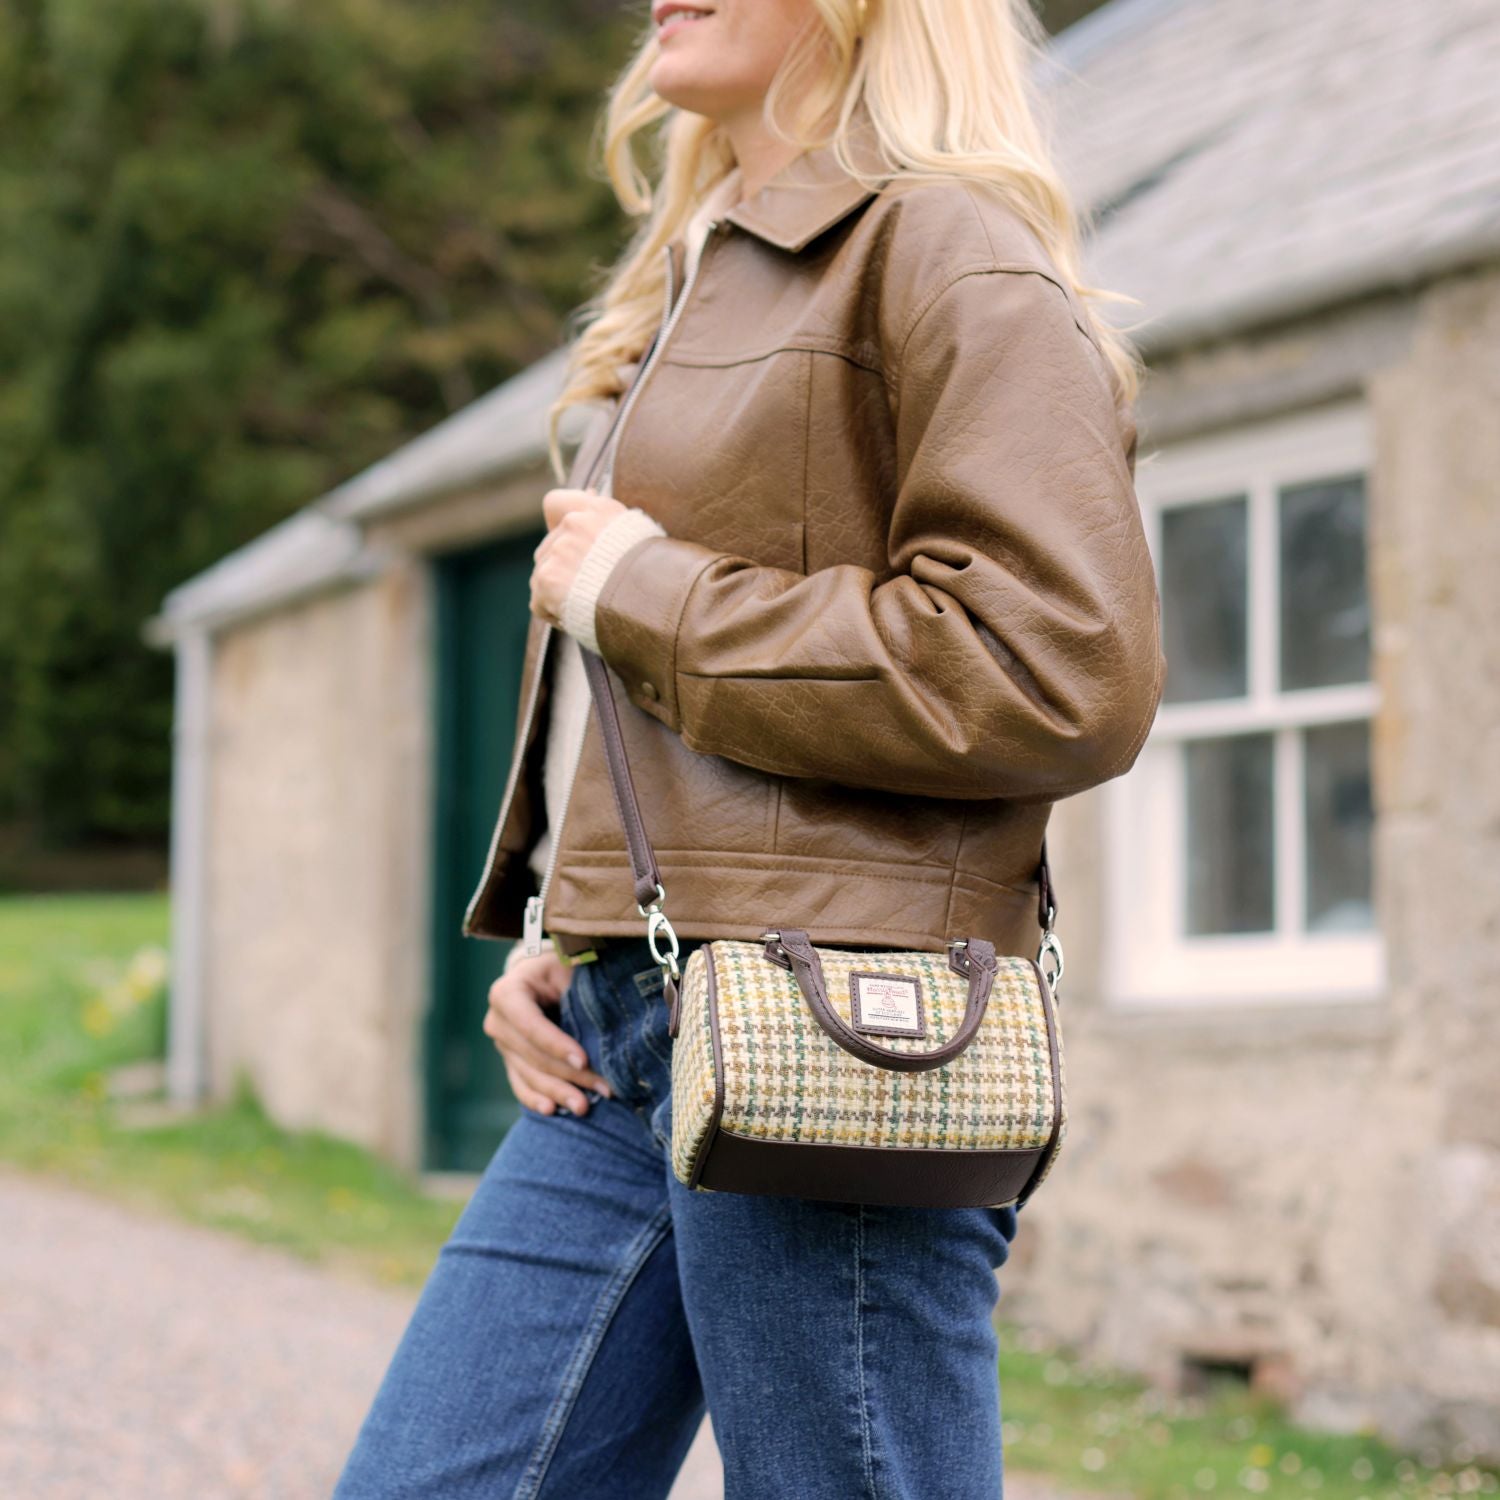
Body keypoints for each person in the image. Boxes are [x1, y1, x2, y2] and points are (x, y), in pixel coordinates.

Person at [334, 1, 1164, 1496]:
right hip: (625, 1031)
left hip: (837, 1027)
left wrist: (643, 590)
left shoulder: (944, 246)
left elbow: (1055, 663)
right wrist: (580, 924)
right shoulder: (701, 277)